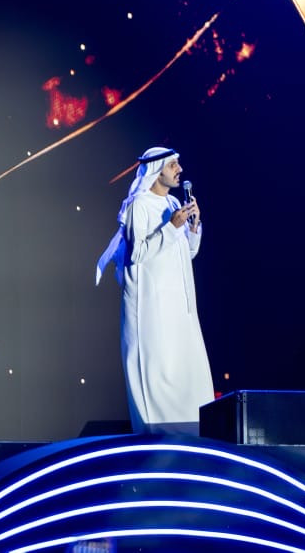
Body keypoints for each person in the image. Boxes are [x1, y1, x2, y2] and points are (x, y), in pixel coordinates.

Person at [96, 146, 214, 433]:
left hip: (180, 310)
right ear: (156, 170)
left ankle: (193, 437)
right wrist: (172, 227)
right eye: (173, 165)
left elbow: (185, 254)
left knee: (187, 374)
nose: (179, 170)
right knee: (157, 374)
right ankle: (157, 440)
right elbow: (137, 254)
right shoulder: (138, 205)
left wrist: (192, 228)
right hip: (152, 308)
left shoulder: (173, 203)